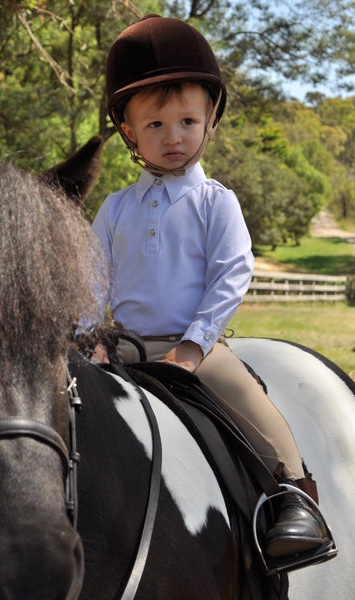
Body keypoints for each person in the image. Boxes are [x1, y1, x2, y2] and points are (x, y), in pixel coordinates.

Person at [92, 14, 331, 563]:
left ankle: (292, 494)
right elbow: (90, 276)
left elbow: (233, 272)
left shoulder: (214, 202)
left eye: (186, 121)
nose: (173, 137)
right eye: (154, 125)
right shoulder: (115, 208)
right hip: (122, 344)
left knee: (247, 396)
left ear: (210, 121)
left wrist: (196, 345)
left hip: (194, 345)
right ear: (129, 131)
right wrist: (91, 335)